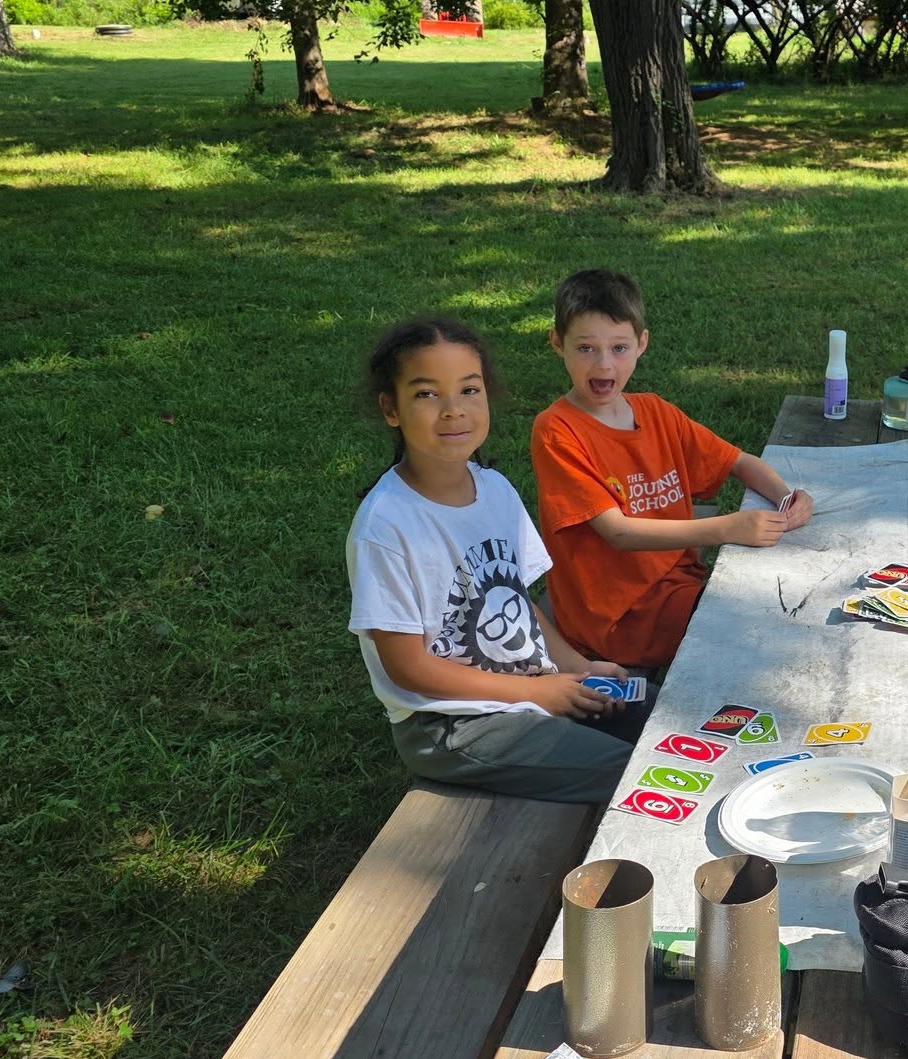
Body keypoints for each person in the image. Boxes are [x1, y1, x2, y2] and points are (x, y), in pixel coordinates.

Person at [346, 318, 648, 803]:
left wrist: (575, 667)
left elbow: (516, 600)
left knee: (661, 719)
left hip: (528, 688)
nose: (453, 411)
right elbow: (408, 669)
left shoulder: (495, 489)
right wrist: (536, 694)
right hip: (451, 724)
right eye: (427, 394)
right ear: (391, 408)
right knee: (634, 779)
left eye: (469, 389)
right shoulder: (386, 526)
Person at [531, 269, 813, 670]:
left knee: (792, 596)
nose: (604, 365)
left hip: (676, 586)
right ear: (558, 344)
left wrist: (787, 498)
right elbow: (619, 532)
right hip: (620, 615)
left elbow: (739, 462)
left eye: (619, 348)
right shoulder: (556, 429)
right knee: (762, 632)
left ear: (642, 344)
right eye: (586, 348)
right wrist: (727, 529)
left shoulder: (655, 412)